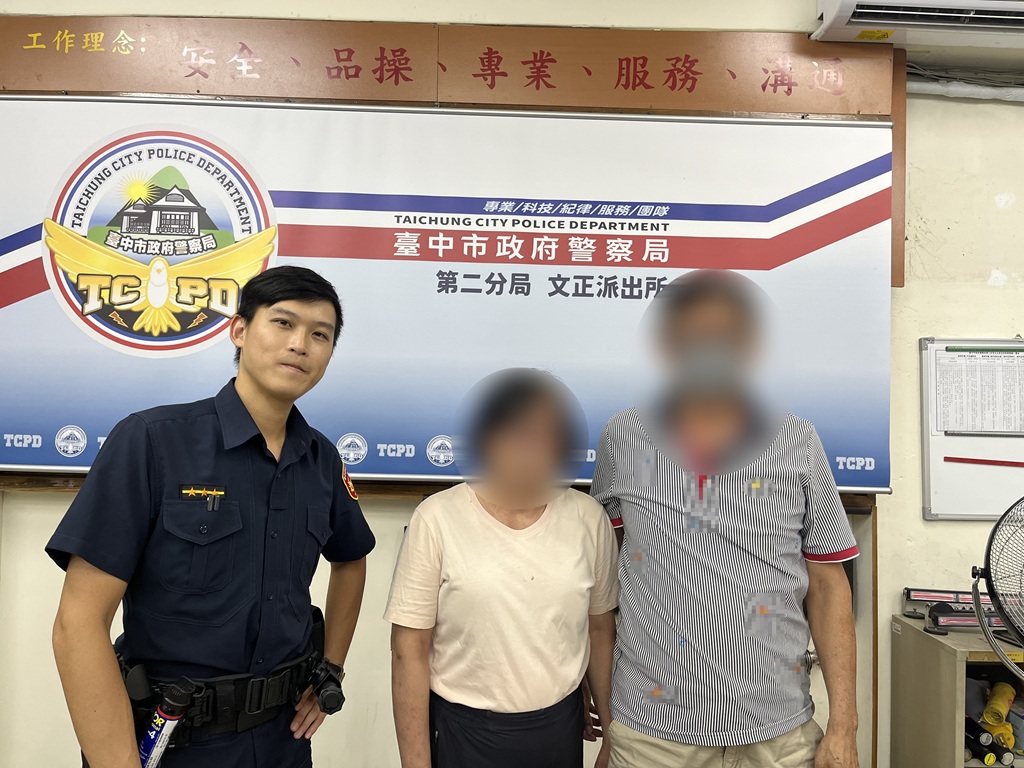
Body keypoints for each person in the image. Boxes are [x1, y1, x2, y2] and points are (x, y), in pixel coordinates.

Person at [48, 265, 376, 768]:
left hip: (283, 742)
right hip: (172, 743)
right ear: (239, 330)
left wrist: (331, 667)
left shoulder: (322, 460)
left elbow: (351, 559)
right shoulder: (152, 442)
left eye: (320, 335)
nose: (300, 344)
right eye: (283, 323)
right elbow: (78, 623)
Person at [592, 270, 859, 768]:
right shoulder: (623, 438)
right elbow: (602, 585)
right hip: (651, 735)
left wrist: (844, 726)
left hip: (778, 732)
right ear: (666, 346)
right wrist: (611, 725)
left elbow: (828, 585)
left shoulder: (797, 441)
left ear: (752, 346)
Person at [386, 368, 619, 768]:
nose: (532, 447)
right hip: (463, 732)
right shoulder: (438, 517)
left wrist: (613, 737)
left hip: (558, 729)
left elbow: (600, 630)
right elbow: (409, 649)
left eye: (548, 434)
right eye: (519, 431)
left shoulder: (587, 518)